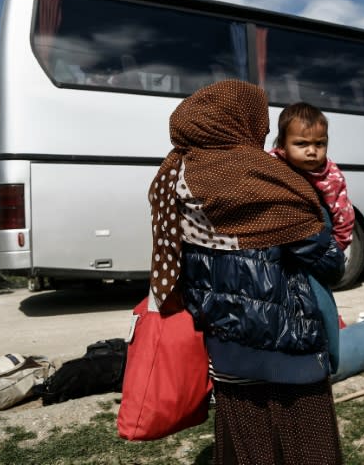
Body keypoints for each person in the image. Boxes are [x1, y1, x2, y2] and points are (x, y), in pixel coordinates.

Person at [148, 80, 345, 464]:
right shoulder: (267, 178)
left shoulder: (175, 177)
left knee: (248, 449)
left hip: (226, 350)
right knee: (311, 448)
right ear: (244, 121)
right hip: (292, 349)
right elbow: (329, 264)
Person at [270, 102, 355, 251]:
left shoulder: (331, 176)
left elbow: (344, 215)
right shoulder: (271, 164)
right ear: (283, 145)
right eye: (301, 144)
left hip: (316, 248)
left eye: (320, 144)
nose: (312, 151)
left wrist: (336, 249)